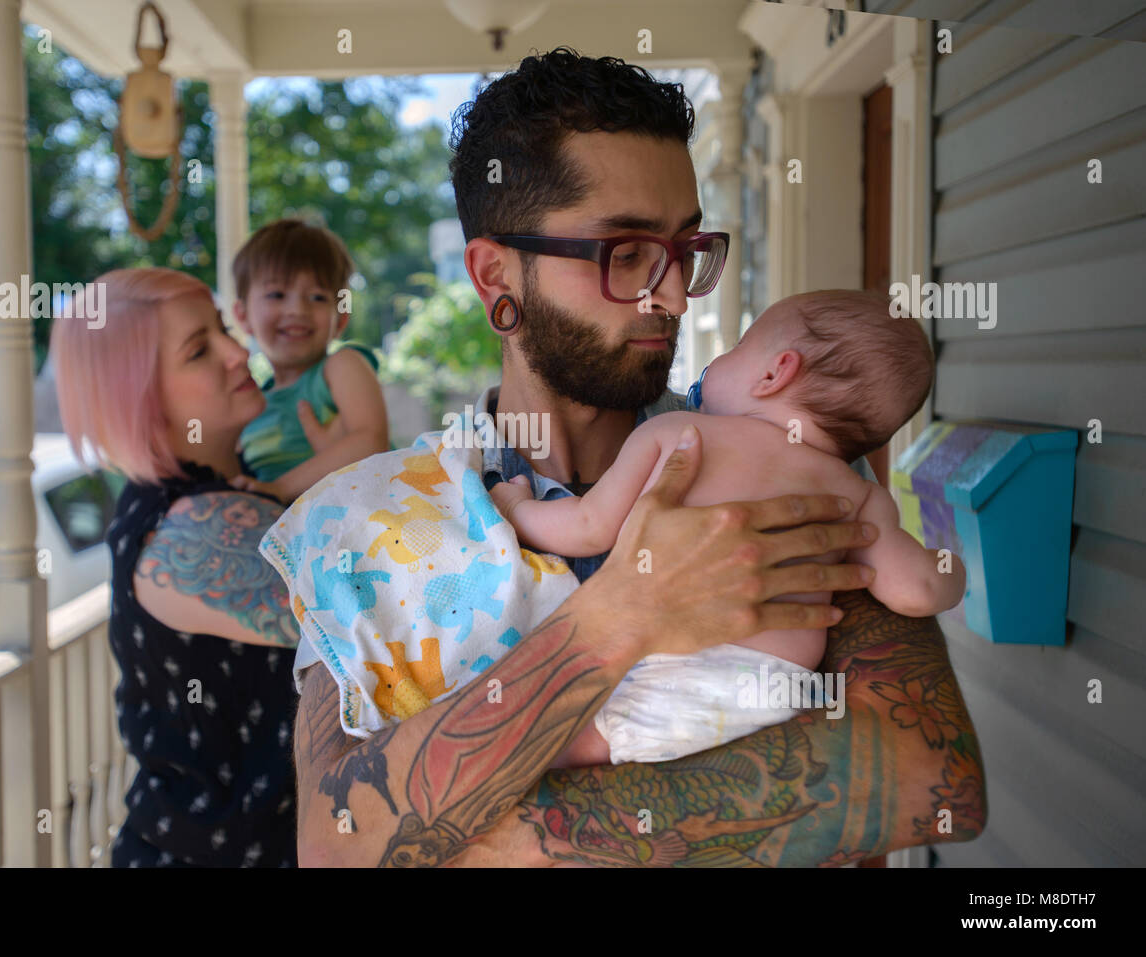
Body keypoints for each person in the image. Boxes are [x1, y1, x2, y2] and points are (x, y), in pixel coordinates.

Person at [291, 48, 987, 867]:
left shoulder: (789, 458)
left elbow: (930, 779)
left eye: (684, 248)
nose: (667, 293)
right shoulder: (372, 520)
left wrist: (468, 825)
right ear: (493, 274)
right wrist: (622, 615)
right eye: (623, 252)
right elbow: (337, 844)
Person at [488, 289, 966, 767]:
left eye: (738, 346)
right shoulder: (858, 495)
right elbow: (918, 591)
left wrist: (515, 509)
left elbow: (587, 526)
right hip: (773, 689)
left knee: (547, 751)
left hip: (664, 659)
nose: (721, 358)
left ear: (775, 373)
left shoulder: (676, 433)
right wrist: (953, 568)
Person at [51, 267, 305, 866]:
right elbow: (394, 616)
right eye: (198, 349)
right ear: (141, 396)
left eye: (222, 328)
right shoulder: (189, 527)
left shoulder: (223, 490)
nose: (237, 350)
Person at [228, 218, 391, 503]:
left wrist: (278, 489)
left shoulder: (341, 367)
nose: (297, 310)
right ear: (242, 315)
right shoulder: (250, 404)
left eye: (317, 297)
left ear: (340, 319)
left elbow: (370, 441)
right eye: (277, 294)